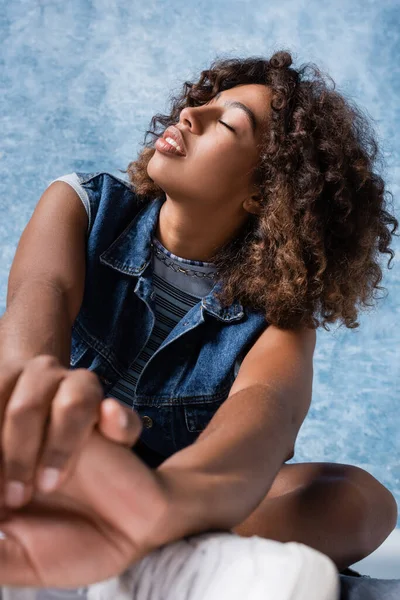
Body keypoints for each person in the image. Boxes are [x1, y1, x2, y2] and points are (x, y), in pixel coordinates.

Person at [0, 50, 398, 589]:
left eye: (228, 122)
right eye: (202, 101)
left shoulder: (280, 313)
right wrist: (34, 416)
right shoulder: (81, 207)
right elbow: (33, 320)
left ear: (264, 194)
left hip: (179, 500)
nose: (191, 114)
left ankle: (132, 550)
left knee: (361, 500)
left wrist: (158, 505)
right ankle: (158, 556)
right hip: (51, 460)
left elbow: (265, 421)